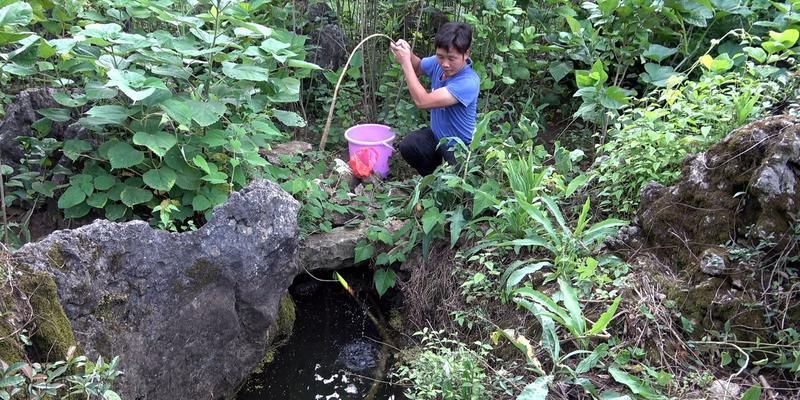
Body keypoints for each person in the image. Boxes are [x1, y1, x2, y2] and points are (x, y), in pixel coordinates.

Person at [389, 22, 480, 176]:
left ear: (466, 54)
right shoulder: (439, 64)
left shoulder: (468, 82)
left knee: (453, 188)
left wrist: (405, 63)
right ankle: (431, 179)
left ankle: (455, 180)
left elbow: (422, 101)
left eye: (452, 58)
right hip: (438, 138)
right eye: (440, 56)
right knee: (409, 145)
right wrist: (407, 53)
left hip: (460, 148)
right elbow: (417, 67)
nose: (445, 64)